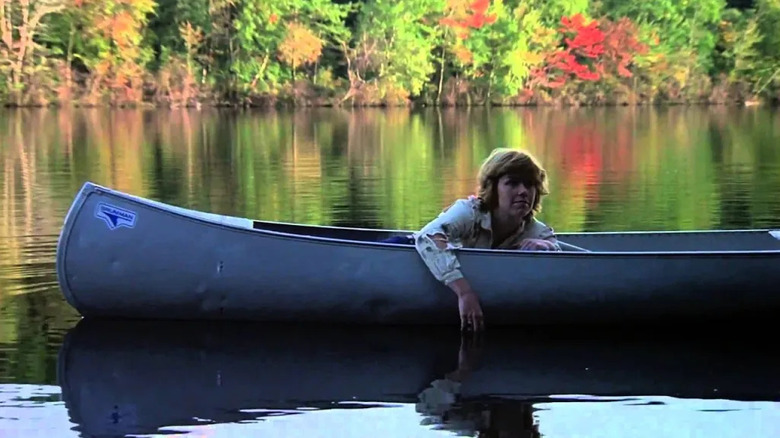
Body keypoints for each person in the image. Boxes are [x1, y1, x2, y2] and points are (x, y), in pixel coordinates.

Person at [412, 148, 560, 332]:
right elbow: (428, 237)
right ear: (493, 187)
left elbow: (560, 256)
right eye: (512, 183)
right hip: (407, 247)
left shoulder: (537, 231)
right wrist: (464, 292)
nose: (523, 191)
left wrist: (547, 247)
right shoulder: (469, 212)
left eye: (529, 184)